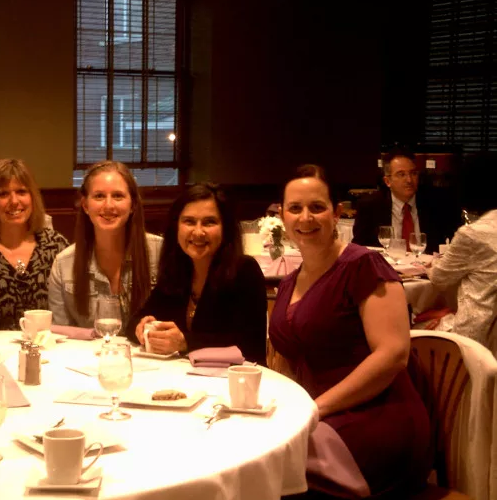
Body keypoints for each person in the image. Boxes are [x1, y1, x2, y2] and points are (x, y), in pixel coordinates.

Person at [270, 165, 430, 498]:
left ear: (337, 213)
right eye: (295, 209)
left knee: (275, 470)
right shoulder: (288, 283)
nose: (305, 218)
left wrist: (316, 409)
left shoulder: (363, 266)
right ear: (282, 216)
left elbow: (393, 355)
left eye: (317, 207)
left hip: (376, 417)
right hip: (320, 414)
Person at [126, 183, 268, 364]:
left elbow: (247, 347)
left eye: (209, 222)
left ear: (225, 229)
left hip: (234, 382)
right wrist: (142, 326)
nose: (198, 232)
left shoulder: (245, 271)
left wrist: (185, 342)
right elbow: (133, 323)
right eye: (189, 221)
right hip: (188, 380)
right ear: (176, 227)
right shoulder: (177, 270)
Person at [0, 159, 69, 330]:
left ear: (32, 197)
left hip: (50, 351)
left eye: (21, 191)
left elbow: (70, 316)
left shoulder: (57, 246)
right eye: (3, 194)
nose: (14, 201)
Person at [48, 161, 162, 330]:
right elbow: (62, 336)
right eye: (99, 196)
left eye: (118, 196)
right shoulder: (63, 264)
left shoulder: (161, 253)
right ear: (85, 205)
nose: (108, 205)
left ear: (133, 205)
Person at [425, 153, 497, 353]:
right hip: (492, 332)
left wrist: (430, 265)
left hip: (474, 336)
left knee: (409, 325)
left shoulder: (473, 234)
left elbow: (439, 279)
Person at [352, 148, 461, 253]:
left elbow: (456, 245)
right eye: (401, 174)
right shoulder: (369, 207)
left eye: (413, 173)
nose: (409, 180)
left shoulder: (438, 203)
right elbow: (358, 250)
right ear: (387, 181)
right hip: (386, 269)